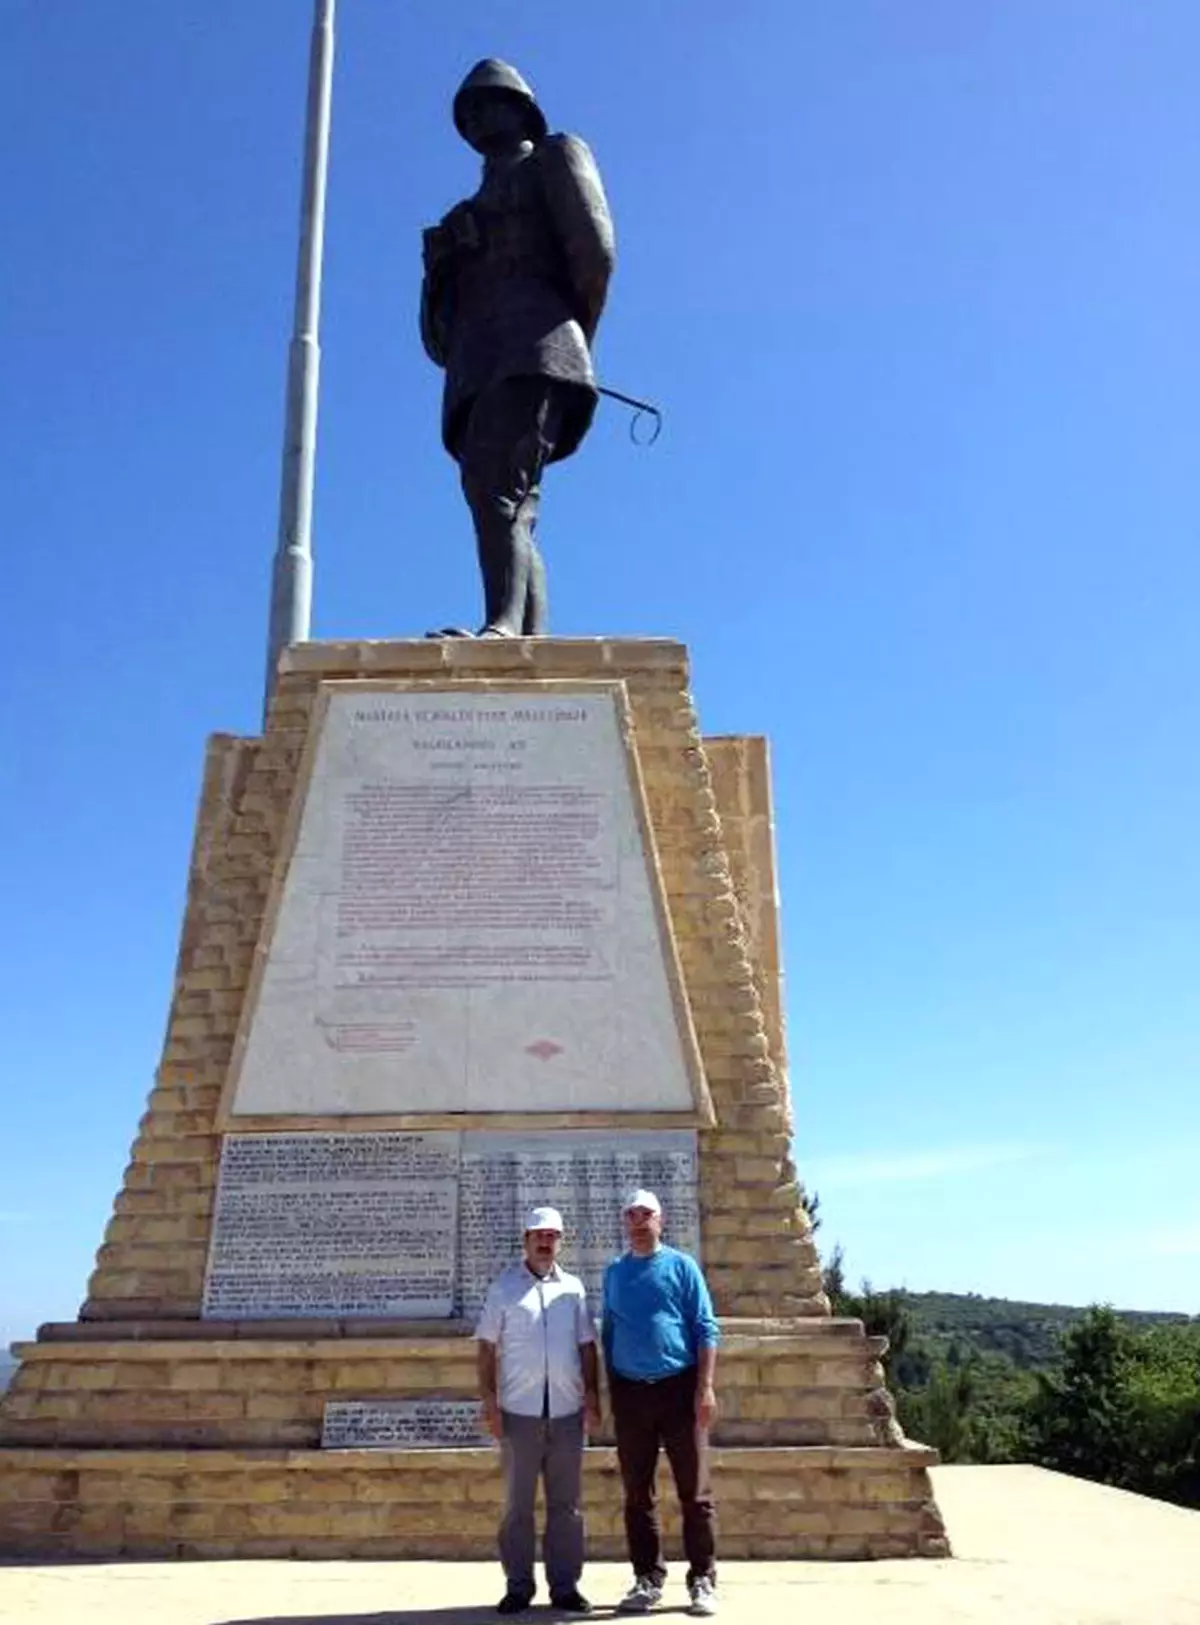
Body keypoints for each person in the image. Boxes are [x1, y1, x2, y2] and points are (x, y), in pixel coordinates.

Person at [420, 58, 615, 638]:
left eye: (487, 102)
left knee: (500, 487)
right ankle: (521, 637)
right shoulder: (463, 216)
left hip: (536, 345)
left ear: (520, 107)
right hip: (480, 363)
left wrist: (570, 342)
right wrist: (441, 269)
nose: (477, 116)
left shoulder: (554, 157)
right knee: (503, 495)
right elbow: (437, 338)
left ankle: (504, 628)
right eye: (467, 111)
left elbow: (595, 252)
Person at [476, 1205, 602, 1616]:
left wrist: (593, 1399)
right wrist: (490, 1403)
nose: (545, 1243)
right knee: (517, 1506)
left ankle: (565, 1587)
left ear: (560, 1241)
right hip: (518, 1413)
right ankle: (518, 1585)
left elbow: (586, 1346)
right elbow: (487, 1348)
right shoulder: (504, 1289)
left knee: (567, 1507)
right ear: (525, 1241)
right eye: (538, 1236)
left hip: (566, 1412)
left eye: (552, 1236)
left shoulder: (574, 1289)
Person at [602, 1189, 721, 1618]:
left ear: (660, 1219)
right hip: (631, 1393)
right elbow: (609, 1332)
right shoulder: (614, 1272)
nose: (638, 1221)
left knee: (695, 1492)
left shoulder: (682, 1266)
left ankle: (703, 1579)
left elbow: (706, 1328)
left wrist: (704, 1387)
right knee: (637, 1493)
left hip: (679, 1388)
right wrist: (612, 1390)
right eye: (631, 1214)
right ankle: (647, 1578)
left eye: (645, 1214)